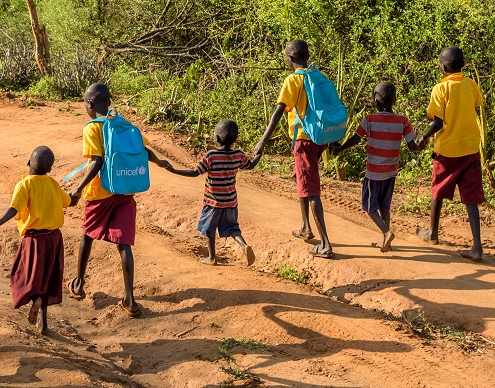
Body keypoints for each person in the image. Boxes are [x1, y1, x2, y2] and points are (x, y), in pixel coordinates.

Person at [67, 82, 179, 315]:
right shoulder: (125, 125)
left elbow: (96, 162)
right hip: (125, 190)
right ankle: (129, 299)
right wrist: (159, 162)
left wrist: (78, 189)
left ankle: (78, 284)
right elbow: (143, 151)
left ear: (89, 104)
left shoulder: (92, 128)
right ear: (109, 103)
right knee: (124, 244)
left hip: (99, 192)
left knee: (87, 235)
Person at [251, 39, 336, 258]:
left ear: (289, 59)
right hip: (320, 138)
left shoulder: (293, 80)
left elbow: (278, 112)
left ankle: (325, 244)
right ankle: (305, 227)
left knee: (311, 189)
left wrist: (262, 141)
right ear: (307, 56)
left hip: (304, 140)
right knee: (301, 179)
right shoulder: (319, 76)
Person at [412, 46, 487, 262]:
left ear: (443, 67)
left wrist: (424, 137)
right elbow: (475, 105)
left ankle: (432, 233)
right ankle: (477, 247)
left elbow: (438, 121)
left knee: (438, 189)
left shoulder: (440, 89)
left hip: (447, 150)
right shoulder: (471, 84)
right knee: (470, 198)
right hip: (471, 148)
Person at [0, 145, 69, 335]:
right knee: (47, 277)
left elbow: (14, 209)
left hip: (34, 240)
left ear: (29, 163)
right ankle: (43, 322)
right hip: (54, 238)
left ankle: (34, 299)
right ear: (49, 169)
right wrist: (74, 196)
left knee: (23, 275)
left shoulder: (24, 185)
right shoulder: (53, 183)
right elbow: (67, 201)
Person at [328, 81, 414, 252]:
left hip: (374, 173)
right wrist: (424, 141)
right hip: (391, 172)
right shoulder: (403, 121)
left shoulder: (370, 119)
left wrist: (339, 149)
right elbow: (413, 146)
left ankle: (386, 232)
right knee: (384, 205)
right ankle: (385, 241)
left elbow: (355, 139)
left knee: (368, 206)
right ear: (394, 100)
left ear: (375, 101)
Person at [163, 120, 259, 266]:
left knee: (209, 229)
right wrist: (259, 154)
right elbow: (250, 165)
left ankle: (212, 257)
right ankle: (244, 245)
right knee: (232, 227)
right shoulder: (238, 155)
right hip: (231, 202)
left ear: (217, 138)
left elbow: (195, 173)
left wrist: (174, 170)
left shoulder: (211, 156)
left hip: (213, 202)